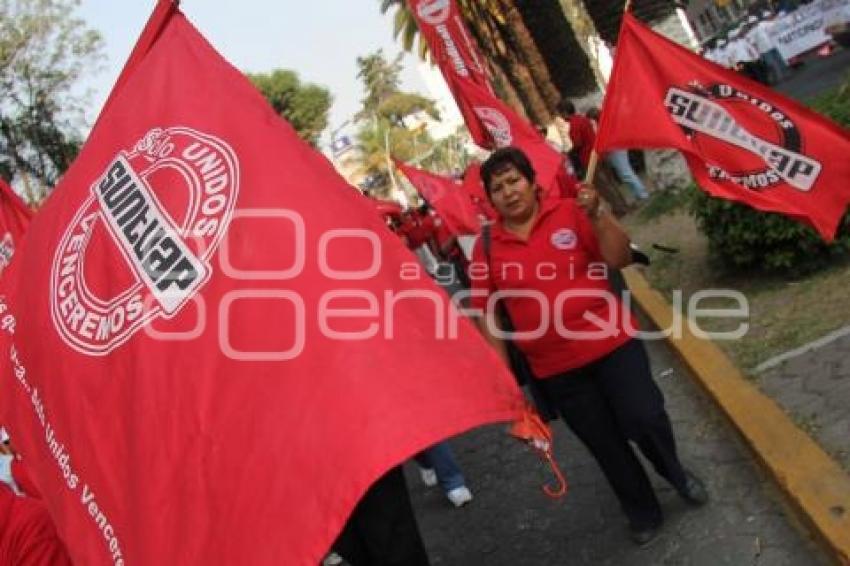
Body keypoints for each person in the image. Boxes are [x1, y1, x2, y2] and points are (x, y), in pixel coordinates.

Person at [469, 147, 708, 546]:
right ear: (490, 199)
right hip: (556, 368)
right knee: (604, 444)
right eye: (498, 188)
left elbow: (618, 258)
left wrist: (598, 214)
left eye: (514, 181)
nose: (508, 192)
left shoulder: (571, 211)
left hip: (613, 344)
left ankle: (676, 474)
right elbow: (487, 313)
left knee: (645, 418)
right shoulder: (487, 246)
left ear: (532, 181)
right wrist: (505, 381)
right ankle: (641, 510)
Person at [585, 108, 650, 202]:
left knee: (625, 173)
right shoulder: (607, 122)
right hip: (618, 148)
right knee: (625, 172)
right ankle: (639, 193)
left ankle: (642, 194)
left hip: (615, 150)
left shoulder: (602, 126)